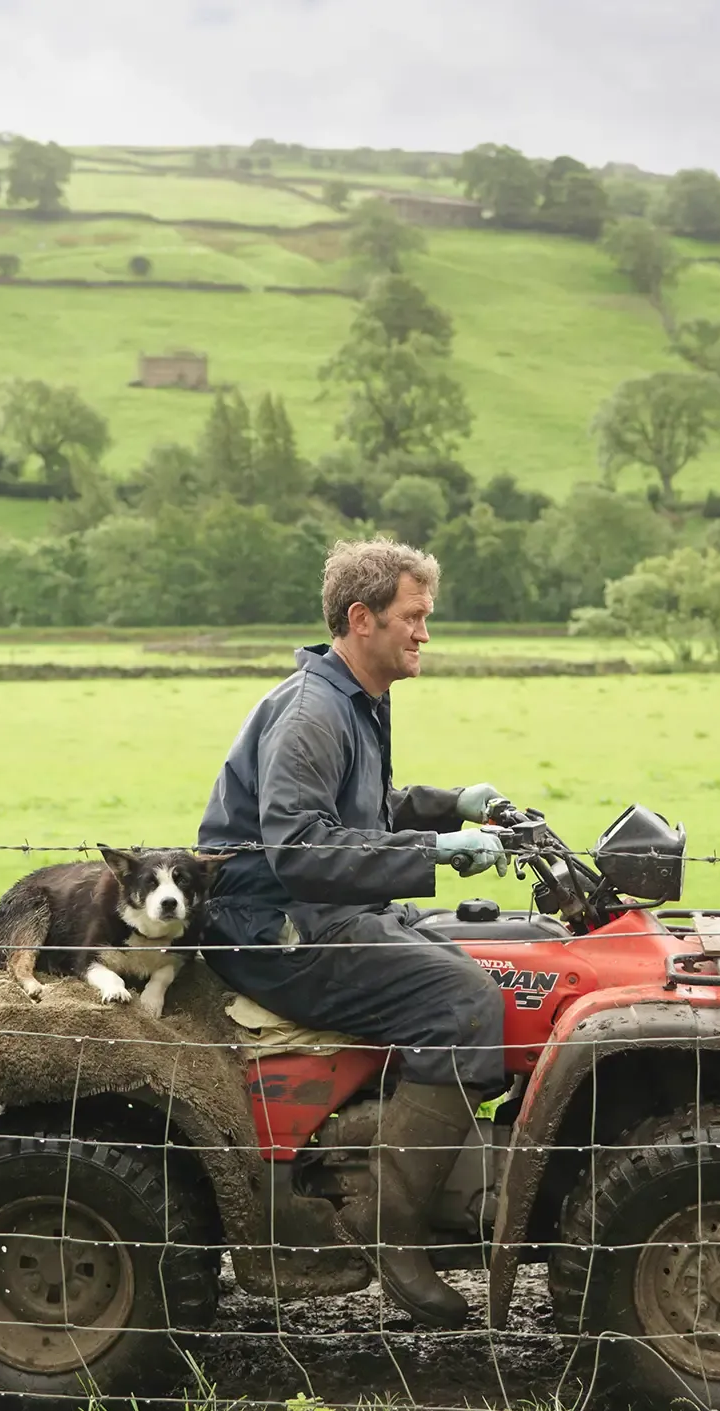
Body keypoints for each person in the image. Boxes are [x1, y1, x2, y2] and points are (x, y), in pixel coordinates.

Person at [196, 538, 511, 1324]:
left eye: (426, 618)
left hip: (316, 912)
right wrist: (433, 853)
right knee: (465, 1003)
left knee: (497, 964)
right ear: (362, 618)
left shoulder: (353, 701)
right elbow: (301, 849)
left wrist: (455, 805)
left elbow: (367, 806)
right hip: (276, 929)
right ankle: (390, 1225)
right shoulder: (313, 712)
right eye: (413, 617)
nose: (424, 634)